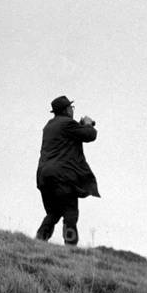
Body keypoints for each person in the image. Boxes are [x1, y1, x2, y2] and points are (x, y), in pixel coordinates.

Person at [35, 95, 99, 246]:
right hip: (62, 176)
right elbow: (90, 135)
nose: (72, 110)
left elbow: (67, 134)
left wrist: (78, 125)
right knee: (70, 213)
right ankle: (70, 247)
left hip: (44, 177)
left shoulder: (49, 126)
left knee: (53, 212)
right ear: (66, 110)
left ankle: (38, 241)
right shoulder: (67, 124)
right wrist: (88, 124)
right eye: (71, 107)